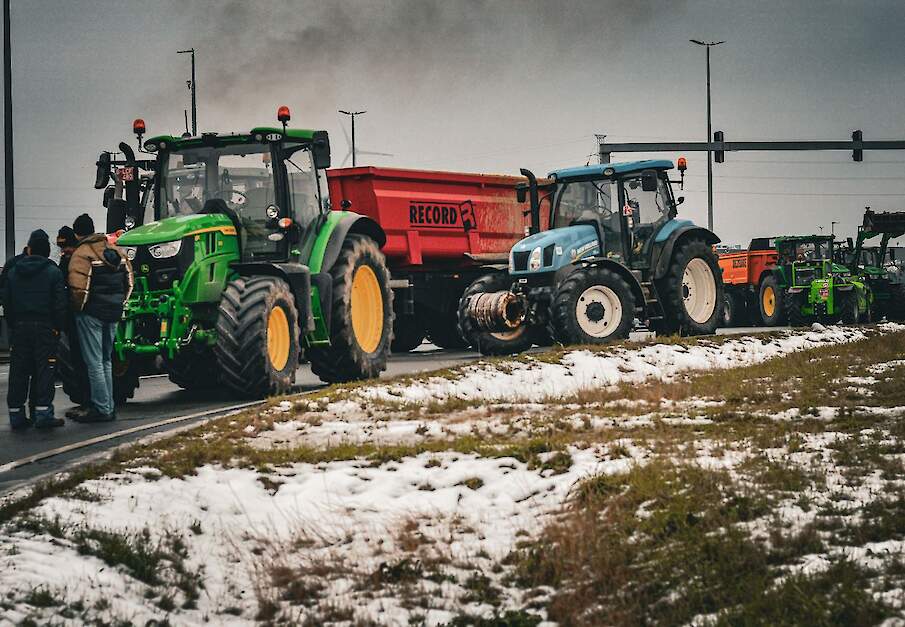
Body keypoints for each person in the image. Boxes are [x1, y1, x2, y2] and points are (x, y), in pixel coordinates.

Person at [68, 213, 133, 422]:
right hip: (112, 313)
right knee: (106, 361)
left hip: (91, 315)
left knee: (94, 362)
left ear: (77, 233)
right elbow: (129, 282)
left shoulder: (82, 253)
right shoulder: (115, 250)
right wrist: (119, 304)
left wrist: (80, 310)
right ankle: (108, 405)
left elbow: (79, 289)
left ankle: (102, 408)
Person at [3, 230, 67, 429]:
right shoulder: (53, 272)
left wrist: (14, 325)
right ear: (47, 251)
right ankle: (43, 414)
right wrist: (58, 327)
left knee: (19, 372)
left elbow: (7, 302)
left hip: (20, 327)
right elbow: (60, 304)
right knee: (45, 371)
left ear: (29, 250)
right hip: (45, 328)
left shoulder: (14, 272)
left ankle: (16, 415)